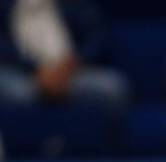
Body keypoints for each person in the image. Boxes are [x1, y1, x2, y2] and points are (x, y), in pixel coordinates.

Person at [0, 0, 128, 107]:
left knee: (113, 87)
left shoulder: (74, 3)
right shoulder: (5, 6)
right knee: (15, 91)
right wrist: (35, 69)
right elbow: (4, 47)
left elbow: (98, 38)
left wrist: (70, 65)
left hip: (72, 72)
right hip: (22, 73)